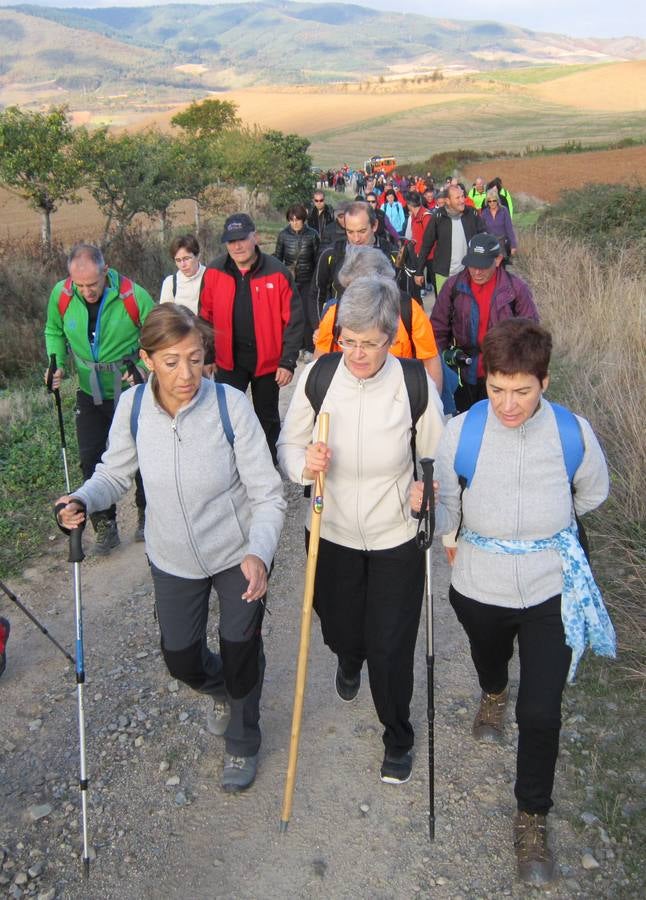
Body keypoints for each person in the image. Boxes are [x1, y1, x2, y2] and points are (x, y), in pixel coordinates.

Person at [55, 304, 286, 792]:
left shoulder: (229, 404)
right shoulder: (134, 407)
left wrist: (259, 553)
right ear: (147, 359)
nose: (187, 374)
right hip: (172, 558)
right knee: (181, 659)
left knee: (241, 650)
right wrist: (81, 498)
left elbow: (267, 492)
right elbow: (114, 474)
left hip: (237, 552)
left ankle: (243, 741)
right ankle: (229, 689)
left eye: (196, 359)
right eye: (171, 361)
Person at [425, 318, 612, 885]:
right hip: (478, 584)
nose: (507, 403)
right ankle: (492, 687)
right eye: (497, 388)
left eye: (522, 390)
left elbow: (590, 494)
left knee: (542, 711)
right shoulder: (461, 432)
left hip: (551, 586)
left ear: (544, 382)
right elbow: (446, 500)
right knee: (489, 656)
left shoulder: (573, 433)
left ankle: (532, 816)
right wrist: (447, 532)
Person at [278, 276, 445, 786]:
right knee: (343, 631)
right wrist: (305, 463)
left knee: (390, 649)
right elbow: (288, 448)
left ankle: (398, 736)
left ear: (391, 336)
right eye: (348, 340)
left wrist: (428, 495)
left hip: (396, 537)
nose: (357, 352)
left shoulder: (413, 385)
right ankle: (348, 657)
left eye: (369, 343)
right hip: (331, 535)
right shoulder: (320, 377)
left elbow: (439, 464)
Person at [44, 243, 155, 554]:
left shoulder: (133, 296)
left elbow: (158, 332)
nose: (87, 291)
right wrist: (56, 364)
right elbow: (53, 330)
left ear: (106, 271)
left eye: (92, 284)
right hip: (89, 390)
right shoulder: (62, 295)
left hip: (131, 391)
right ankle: (104, 526)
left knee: (143, 455)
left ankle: (147, 514)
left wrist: (146, 368)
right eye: (79, 285)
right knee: (90, 458)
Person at [199, 213, 304, 465]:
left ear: (254, 238)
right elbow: (205, 316)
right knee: (228, 416)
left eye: (242, 239)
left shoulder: (277, 272)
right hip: (228, 359)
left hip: (268, 361)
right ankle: (233, 466)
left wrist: (287, 361)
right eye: (231, 241)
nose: (237, 246)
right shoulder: (214, 271)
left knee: (266, 416)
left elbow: (294, 320)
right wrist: (208, 356)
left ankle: (269, 467)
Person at [431, 233, 538, 413]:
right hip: (462, 375)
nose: (476, 271)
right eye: (472, 264)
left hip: (502, 374)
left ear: (497, 260)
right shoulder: (453, 286)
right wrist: (442, 363)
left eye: (482, 265)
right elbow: (437, 330)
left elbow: (531, 334)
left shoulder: (515, 289)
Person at [313, 245, 442, 393]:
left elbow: (430, 360)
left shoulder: (409, 311)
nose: (356, 296)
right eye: (350, 288)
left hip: (399, 396)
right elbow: (319, 363)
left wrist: (430, 402)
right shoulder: (335, 313)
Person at [310, 200, 396, 318]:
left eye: (362, 231)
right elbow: (316, 293)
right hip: (342, 329)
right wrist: (320, 327)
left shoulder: (392, 255)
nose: (356, 239)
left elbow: (407, 299)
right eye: (350, 232)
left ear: (374, 225)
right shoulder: (331, 254)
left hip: (381, 330)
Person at [414, 184, 486, 295]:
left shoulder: (472, 213)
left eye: (463, 196)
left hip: (468, 274)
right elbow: (426, 245)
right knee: (444, 309)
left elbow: (483, 238)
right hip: (444, 274)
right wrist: (419, 271)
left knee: (467, 308)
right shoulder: (438, 217)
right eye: (458, 198)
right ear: (448, 200)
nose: (462, 200)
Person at [274, 204, 320, 354]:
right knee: (292, 315)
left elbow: (317, 259)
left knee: (307, 314)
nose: (295, 223)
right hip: (290, 281)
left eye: (297, 220)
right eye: (291, 220)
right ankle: (296, 346)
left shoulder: (313, 235)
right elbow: (278, 257)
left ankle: (308, 347)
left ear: (303, 220)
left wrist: (316, 280)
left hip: (308, 280)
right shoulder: (283, 235)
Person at [159, 234, 206, 314]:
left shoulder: (211, 277)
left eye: (186, 258)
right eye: (178, 260)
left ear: (198, 256)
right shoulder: (170, 283)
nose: (183, 265)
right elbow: (165, 316)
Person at [481, 188, 518, 261]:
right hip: (490, 245)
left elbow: (509, 228)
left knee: (501, 268)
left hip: (502, 244)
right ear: (487, 202)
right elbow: (482, 229)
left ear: (497, 200)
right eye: (489, 201)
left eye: (494, 200)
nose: (492, 203)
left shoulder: (504, 211)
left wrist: (513, 245)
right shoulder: (484, 213)